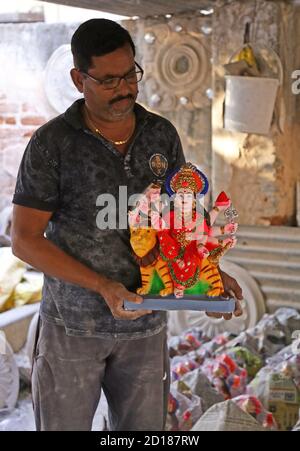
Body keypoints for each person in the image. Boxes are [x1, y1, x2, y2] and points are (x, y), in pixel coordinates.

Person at [11, 19, 243, 431]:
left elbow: (179, 223)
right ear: (79, 78)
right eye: (109, 80)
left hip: (147, 322)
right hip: (73, 326)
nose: (125, 89)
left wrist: (208, 277)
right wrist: (102, 286)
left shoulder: (161, 134)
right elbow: (25, 241)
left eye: (131, 74)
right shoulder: (53, 144)